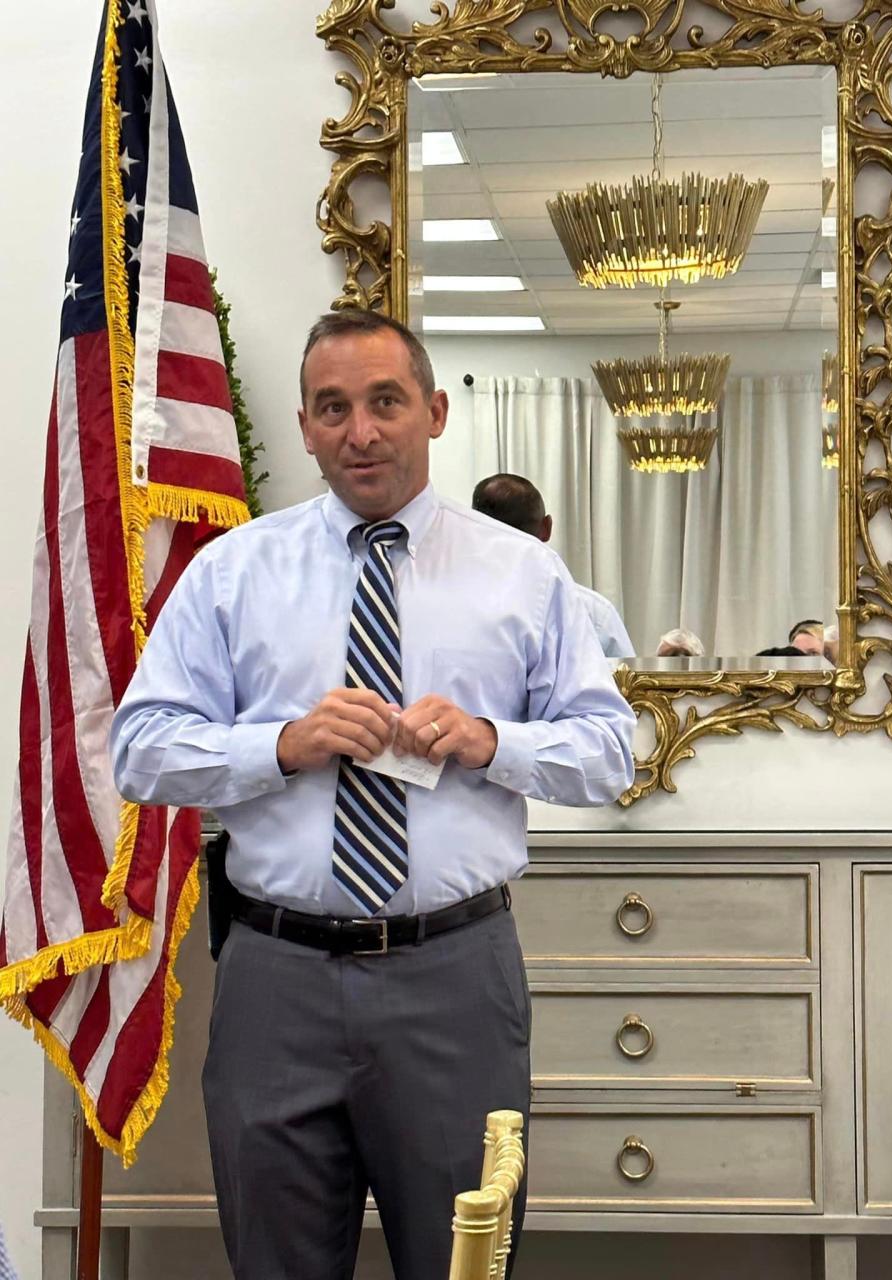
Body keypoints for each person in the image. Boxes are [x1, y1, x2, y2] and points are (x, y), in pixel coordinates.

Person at [110, 310, 636, 1280]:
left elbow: (609, 754)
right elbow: (138, 749)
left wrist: (492, 740)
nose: (362, 431)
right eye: (334, 407)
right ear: (305, 425)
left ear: (433, 411)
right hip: (277, 977)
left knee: (464, 1265)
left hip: (455, 977)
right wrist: (280, 743)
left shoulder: (523, 575)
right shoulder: (233, 570)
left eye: (386, 402)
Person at [471, 473, 636, 658]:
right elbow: (626, 684)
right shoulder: (594, 614)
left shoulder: (448, 604)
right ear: (546, 528)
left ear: (471, 528)